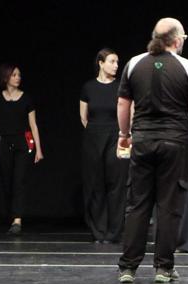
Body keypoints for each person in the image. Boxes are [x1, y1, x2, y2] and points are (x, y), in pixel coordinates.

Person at [116, 17, 188, 283]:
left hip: (143, 142)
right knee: (169, 206)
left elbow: (124, 104)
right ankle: (163, 267)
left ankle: (128, 268)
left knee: (137, 205)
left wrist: (124, 134)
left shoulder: (133, 64)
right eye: (183, 36)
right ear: (176, 39)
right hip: (175, 144)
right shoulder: (187, 67)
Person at [0, 63, 45, 234]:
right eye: (14, 75)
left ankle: (17, 220)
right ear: (5, 78)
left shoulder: (27, 99)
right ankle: (12, 216)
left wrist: (39, 149)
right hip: (4, 142)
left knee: (19, 180)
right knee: (7, 181)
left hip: (22, 143)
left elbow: (33, 126)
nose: (18, 77)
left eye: (19, 75)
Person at [79, 48, 128, 243]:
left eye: (117, 62)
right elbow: (83, 117)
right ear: (100, 63)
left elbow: (126, 113)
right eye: (112, 61)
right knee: (95, 183)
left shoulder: (120, 87)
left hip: (115, 136)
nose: (116, 65)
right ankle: (98, 230)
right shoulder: (88, 88)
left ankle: (114, 232)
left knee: (116, 184)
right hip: (93, 137)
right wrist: (94, 131)